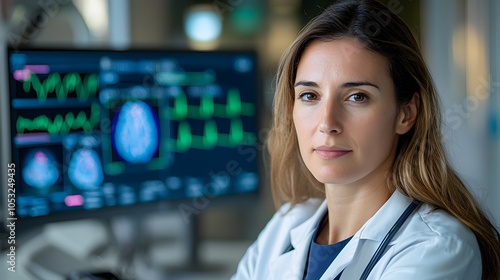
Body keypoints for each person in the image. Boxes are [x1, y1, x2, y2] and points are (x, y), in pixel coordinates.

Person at [231, 0, 500, 279]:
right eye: (310, 96)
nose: (327, 123)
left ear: (406, 114)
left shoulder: (438, 248)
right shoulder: (285, 226)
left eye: (357, 97)